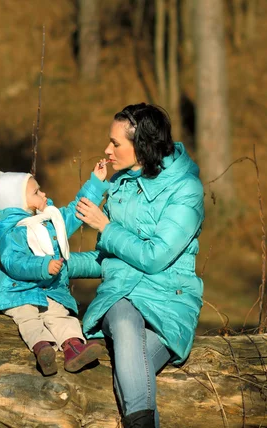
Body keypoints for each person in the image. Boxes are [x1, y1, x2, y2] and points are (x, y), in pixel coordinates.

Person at [69, 103, 205, 427]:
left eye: (115, 143)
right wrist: (62, 263)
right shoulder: (121, 184)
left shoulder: (186, 189)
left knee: (129, 369)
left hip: (169, 301)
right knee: (123, 315)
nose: (107, 149)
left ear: (142, 145)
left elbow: (155, 257)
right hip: (122, 298)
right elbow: (108, 260)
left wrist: (105, 226)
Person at [0, 164, 109, 376]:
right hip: (18, 292)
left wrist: (95, 183)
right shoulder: (12, 232)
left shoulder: (50, 220)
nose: (43, 193)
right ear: (17, 203)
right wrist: (44, 266)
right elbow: (15, 262)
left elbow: (74, 213)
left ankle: (74, 347)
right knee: (28, 318)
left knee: (60, 315)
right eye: (36, 192)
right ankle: (43, 349)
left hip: (49, 290)